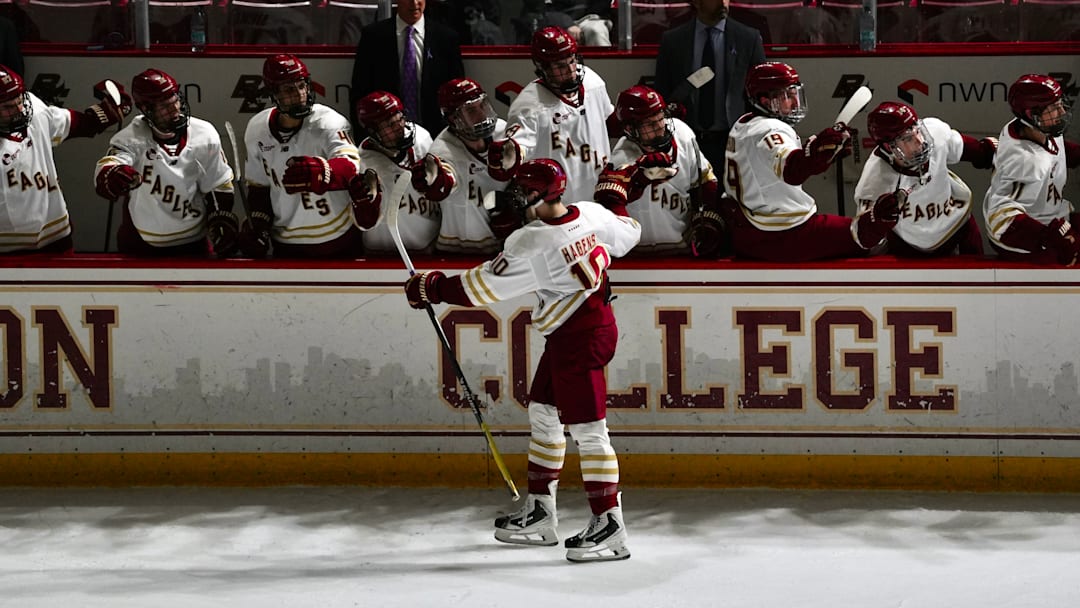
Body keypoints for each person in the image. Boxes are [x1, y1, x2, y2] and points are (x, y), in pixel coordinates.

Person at [402, 158, 642, 563]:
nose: (516, 195)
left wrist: (433, 286)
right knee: (545, 413)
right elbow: (629, 233)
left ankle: (610, 525)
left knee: (589, 429)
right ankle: (541, 512)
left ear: (543, 194)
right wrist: (615, 200)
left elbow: (482, 288)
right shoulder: (591, 213)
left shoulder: (533, 242)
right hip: (582, 329)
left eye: (525, 189)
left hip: (579, 338)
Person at [722, 61, 865, 262]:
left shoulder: (744, 123)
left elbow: (773, 163)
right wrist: (815, 154)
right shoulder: (770, 129)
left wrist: (824, 155)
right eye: (786, 96)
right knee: (867, 233)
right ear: (764, 100)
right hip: (780, 232)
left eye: (794, 94)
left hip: (748, 227)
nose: (795, 103)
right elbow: (792, 170)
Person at [93, 69, 238, 257]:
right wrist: (112, 174)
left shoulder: (204, 134)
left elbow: (217, 185)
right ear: (146, 109)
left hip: (194, 243)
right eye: (164, 106)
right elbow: (111, 163)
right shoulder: (131, 138)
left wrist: (220, 220)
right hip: (141, 244)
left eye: (175, 100)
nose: (175, 109)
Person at [239, 54, 362, 259]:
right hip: (286, 244)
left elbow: (352, 166)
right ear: (273, 93)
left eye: (302, 86)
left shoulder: (329, 122)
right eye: (289, 89)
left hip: (339, 239)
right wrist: (258, 223)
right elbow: (259, 187)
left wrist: (324, 171)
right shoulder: (256, 129)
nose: (299, 94)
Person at [0, 63, 129, 254]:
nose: (19, 109)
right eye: (8, 107)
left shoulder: (33, 108)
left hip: (56, 236)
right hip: (6, 249)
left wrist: (105, 113)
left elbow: (75, 123)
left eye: (19, 100)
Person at [595, 85, 727, 257]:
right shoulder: (622, 158)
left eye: (660, 118)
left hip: (683, 249)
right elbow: (611, 202)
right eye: (650, 124)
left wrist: (706, 215)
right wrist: (638, 178)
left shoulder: (683, 134)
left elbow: (705, 181)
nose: (659, 127)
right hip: (637, 255)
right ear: (629, 129)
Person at [852, 101, 997, 256]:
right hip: (910, 244)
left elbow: (979, 152)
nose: (920, 142)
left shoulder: (935, 133)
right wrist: (877, 219)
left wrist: (993, 153)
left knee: (978, 277)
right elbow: (863, 238)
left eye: (918, 131)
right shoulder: (875, 179)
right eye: (908, 139)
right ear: (889, 147)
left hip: (957, 224)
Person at [493, 26, 614, 206]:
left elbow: (609, 121)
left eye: (572, 60)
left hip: (601, 201)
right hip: (559, 209)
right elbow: (513, 155)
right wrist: (507, 156)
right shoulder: (528, 106)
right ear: (542, 67)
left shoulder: (592, 81)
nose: (570, 70)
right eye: (560, 66)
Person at [653, 0, 766, 171]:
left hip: (734, 142)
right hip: (687, 141)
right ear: (697, 2)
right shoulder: (673, 40)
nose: (723, 3)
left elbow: (761, 94)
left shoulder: (748, 38)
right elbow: (662, 92)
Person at [983, 73, 1080, 266]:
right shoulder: (1023, 161)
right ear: (1031, 114)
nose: (1061, 112)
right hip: (1022, 236)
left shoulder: (1040, 127)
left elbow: (1056, 150)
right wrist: (1052, 238)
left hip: (1050, 213)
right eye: (1054, 108)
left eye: (1060, 103)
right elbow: (1003, 218)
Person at [421, 77, 514, 254]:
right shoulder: (442, 152)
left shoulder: (504, 132)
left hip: (505, 250)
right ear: (452, 118)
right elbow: (445, 180)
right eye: (471, 111)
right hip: (460, 252)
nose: (482, 116)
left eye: (483, 105)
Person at [349, 0, 465, 136]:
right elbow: (360, 91)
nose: (415, 3)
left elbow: (457, 93)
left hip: (437, 135)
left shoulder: (446, 38)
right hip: (386, 136)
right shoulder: (374, 36)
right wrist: (363, 137)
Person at [349, 90, 438, 254]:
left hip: (429, 250)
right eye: (390, 125)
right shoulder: (362, 164)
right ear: (372, 131)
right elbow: (363, 222)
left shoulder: (422, 138)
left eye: (400, 119)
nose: (400, 127)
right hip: (381, 254)